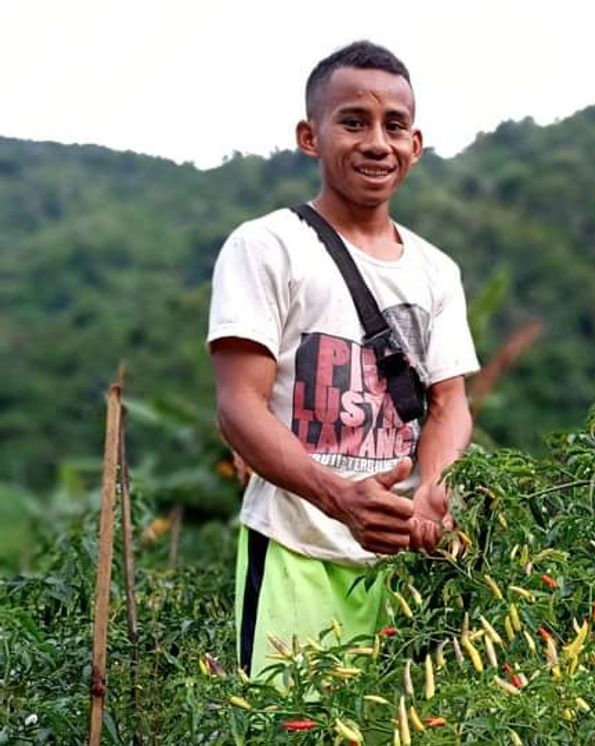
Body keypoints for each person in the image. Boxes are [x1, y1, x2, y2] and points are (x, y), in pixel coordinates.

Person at [207, 40, 479, 677]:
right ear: (311, 136)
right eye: (353, 121)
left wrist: (433, 491)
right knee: (287, 724)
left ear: (416, 144)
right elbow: (237, 405)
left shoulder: (437, 271)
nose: (377, 142)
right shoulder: (266, 247)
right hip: (295, 550)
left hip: (404, 561)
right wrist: (338, 498)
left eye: (395, 126)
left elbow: (450, 402)